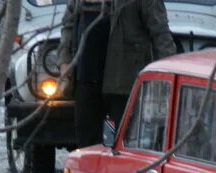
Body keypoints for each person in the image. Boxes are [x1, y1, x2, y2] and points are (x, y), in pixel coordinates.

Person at [57, 0, 176, 146]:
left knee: (122, 144)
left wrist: (167, 74)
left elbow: (160, 34)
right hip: (86, 78)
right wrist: (65, 61)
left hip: (123, 81)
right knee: (87, 146)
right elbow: (68, 26)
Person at [102, 0, 176, 126]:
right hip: (95, 78)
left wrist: (168, 75)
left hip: (128, 80)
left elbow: (161, 36)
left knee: (127, 131)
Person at [57, 0, 111, 148]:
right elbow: (67, 28)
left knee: (120, 137)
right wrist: (64, 61)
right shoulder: (77, 3)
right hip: (84, 75)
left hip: (118, 78)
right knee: (87, 138)